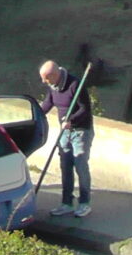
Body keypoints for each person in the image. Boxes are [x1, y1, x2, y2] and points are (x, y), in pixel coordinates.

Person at [39, 60, 94, 217]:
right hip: (65, 132)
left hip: (81, 131)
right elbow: (48, 103)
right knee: (65, 165)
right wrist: (37, 114)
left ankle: (84, 203)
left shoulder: (75, 84)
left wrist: (71, 121)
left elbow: (85, 109)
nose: (44, 82)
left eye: (46, 78)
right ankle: (67, 202)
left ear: (55, 75)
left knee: (80, 165)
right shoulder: (53, 86)